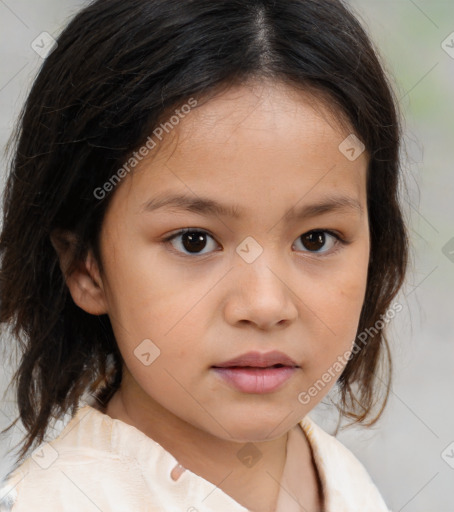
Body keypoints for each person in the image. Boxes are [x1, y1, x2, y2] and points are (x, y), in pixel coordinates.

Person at [0, 0, 408, 510]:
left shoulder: (344, 481)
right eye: (194, 240)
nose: (264, 305)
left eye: (316, 239)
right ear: (86, 265)